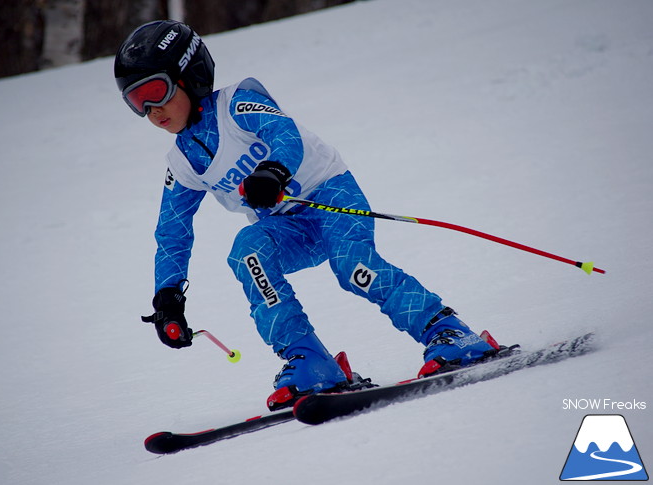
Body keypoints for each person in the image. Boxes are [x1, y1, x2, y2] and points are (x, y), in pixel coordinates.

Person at [116, 20, 497, 410]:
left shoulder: (237, 102)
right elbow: (172, 232)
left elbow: (283, 132)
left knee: (353, 267)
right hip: (286, 227)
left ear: (189, 74)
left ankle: (448, 332)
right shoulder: (182, 161)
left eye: (155, 92)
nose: (151, 110)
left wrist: (274, 170)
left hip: (331, 196)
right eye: (136, 102)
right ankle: (310, 361)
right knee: (248, 252)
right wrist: (168, 297)